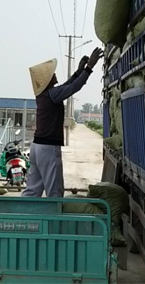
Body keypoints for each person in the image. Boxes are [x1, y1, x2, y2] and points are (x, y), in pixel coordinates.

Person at [23, 47, 104, 198]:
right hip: (48, 149)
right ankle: (55, 221)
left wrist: (79, 72)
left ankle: (23, 219)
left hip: (36, 147)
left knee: (32, 191)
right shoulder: (53, 94)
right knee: (55, 192)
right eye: (52, 74)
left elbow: (66, 86)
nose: (54, 74)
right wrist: (89, 67)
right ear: (47, 80)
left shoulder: (45, 94)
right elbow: (74, 87)